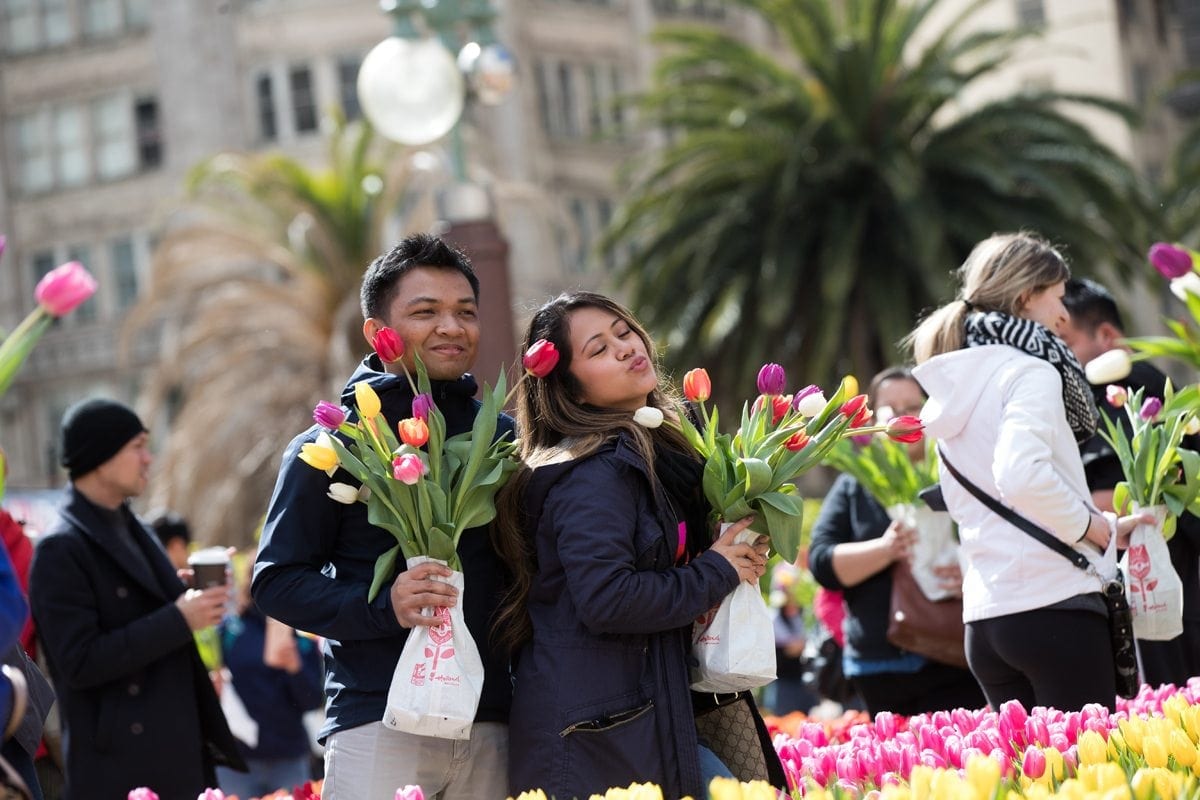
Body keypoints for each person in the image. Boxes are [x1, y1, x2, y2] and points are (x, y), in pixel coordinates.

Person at [253, 234, 514, 800]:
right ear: (378, 333)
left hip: (493, 718)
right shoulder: (333, 445)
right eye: (426, 312)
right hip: (379, 717)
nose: (452, 327)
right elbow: (275, 582)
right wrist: (382, 606)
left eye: (465, 312)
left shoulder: (502, 437)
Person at [492, 291, 783, 800]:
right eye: (599, 349)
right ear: (573, 391)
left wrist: (736, 551)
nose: (626, 348)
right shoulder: (593, 473)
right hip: (598, 732)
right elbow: (608, 598)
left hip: (650, 711)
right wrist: (716, 570)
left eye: (623, 332)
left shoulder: (662, 452)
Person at [907, 232, 1150, 712]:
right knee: (1087, 781)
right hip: (1054, 606)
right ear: (1024, 298)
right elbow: (1019, 476)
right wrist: (1091, 527)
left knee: (1028, 782)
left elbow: (967, 501)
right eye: (1058, 297)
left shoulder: (954, 383)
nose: (1064, 314)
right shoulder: (1029, 371)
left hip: (986, 620)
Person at [28, 398, 244, 799]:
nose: (149, 458)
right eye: (137, 446)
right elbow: (79, 661)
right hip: (122, 769)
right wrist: (179, 618)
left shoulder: (135, 527)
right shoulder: (60, 548)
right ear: (100, 455)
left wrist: (185, 590)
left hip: (176, 754)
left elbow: (134, 607)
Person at [808, 367, 985, 716]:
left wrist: (973, 576)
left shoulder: (961, 476)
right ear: (872, 414)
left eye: (914, 405)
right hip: (880, 666)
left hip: (954, 653)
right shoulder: (855, 484)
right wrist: (886, 549)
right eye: (889, 406)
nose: (902, 414)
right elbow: (822, 562)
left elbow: (1001, 541)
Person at [1060, 277, 1200, 688]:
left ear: (1106, 336)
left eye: (1064, 341)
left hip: (1163, 585)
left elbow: (1118, 498)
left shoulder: (1123, 386)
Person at [216, 560, 323, 798]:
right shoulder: (229, 632)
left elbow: (313, 700)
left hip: (289, 757)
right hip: (237, 760)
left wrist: (295, 668)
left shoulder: (302, 636)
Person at [766, 562, 819, 715]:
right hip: (783, 685)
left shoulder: (805, 614)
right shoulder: (774, 618)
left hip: (806, 682)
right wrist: (792, 648)